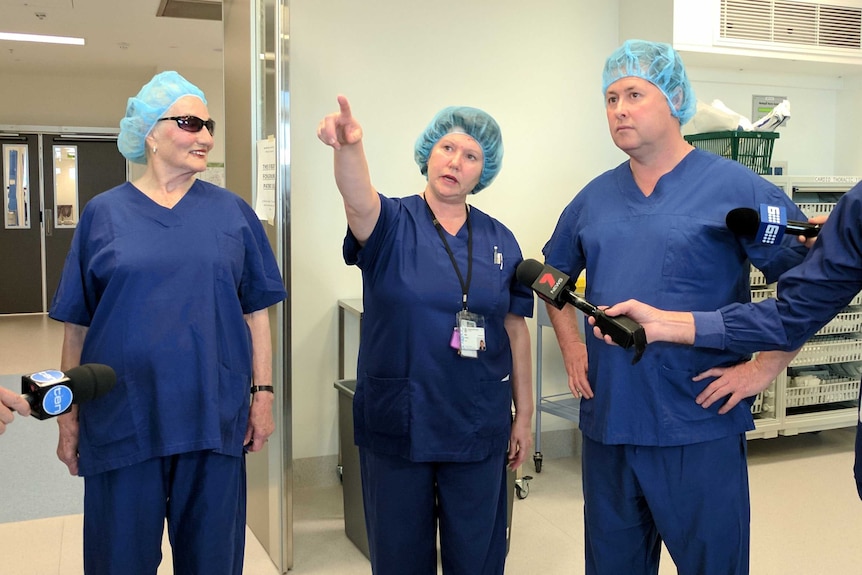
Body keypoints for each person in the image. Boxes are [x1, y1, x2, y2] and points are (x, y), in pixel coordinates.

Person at [541, 39, 811, 575]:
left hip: (698, 421)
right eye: (610, 98)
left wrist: (767, 365)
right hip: (611, 424)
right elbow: (551, 278)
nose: (618, 108)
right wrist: (572, 345)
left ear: (674, 98)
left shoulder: (735, 187)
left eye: (634, 94)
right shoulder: (594, 198)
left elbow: (811, 283)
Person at [48, 71, 287, 575]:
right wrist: (67, 416)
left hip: (211, 417)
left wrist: (262, 395)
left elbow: (255, 314)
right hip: (121, 420)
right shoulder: (103, 214)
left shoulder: (232, 214)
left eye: (208, 125)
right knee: (119, 561)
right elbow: (77, 328)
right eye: (189, 122)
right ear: (149, 134)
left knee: (212, 562)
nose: (204, 136)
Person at [317, 95, 533, 575]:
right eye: (448, 148)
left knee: (477, 555)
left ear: (485, 171)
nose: (455, 161)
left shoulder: (502, 239)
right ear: (429, 152)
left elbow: (515, 331)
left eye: (471, 156)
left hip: (477, 422)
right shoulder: (390, 222)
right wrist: (349, 148)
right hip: (401, 422)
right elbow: (356, 197)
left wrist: (525, 416)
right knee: (399, 557)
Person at [596, 182, 862, 500]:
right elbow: (800, 310)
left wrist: (667, 324)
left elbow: (794, 314)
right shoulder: (596, 196)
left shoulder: (736, 183)